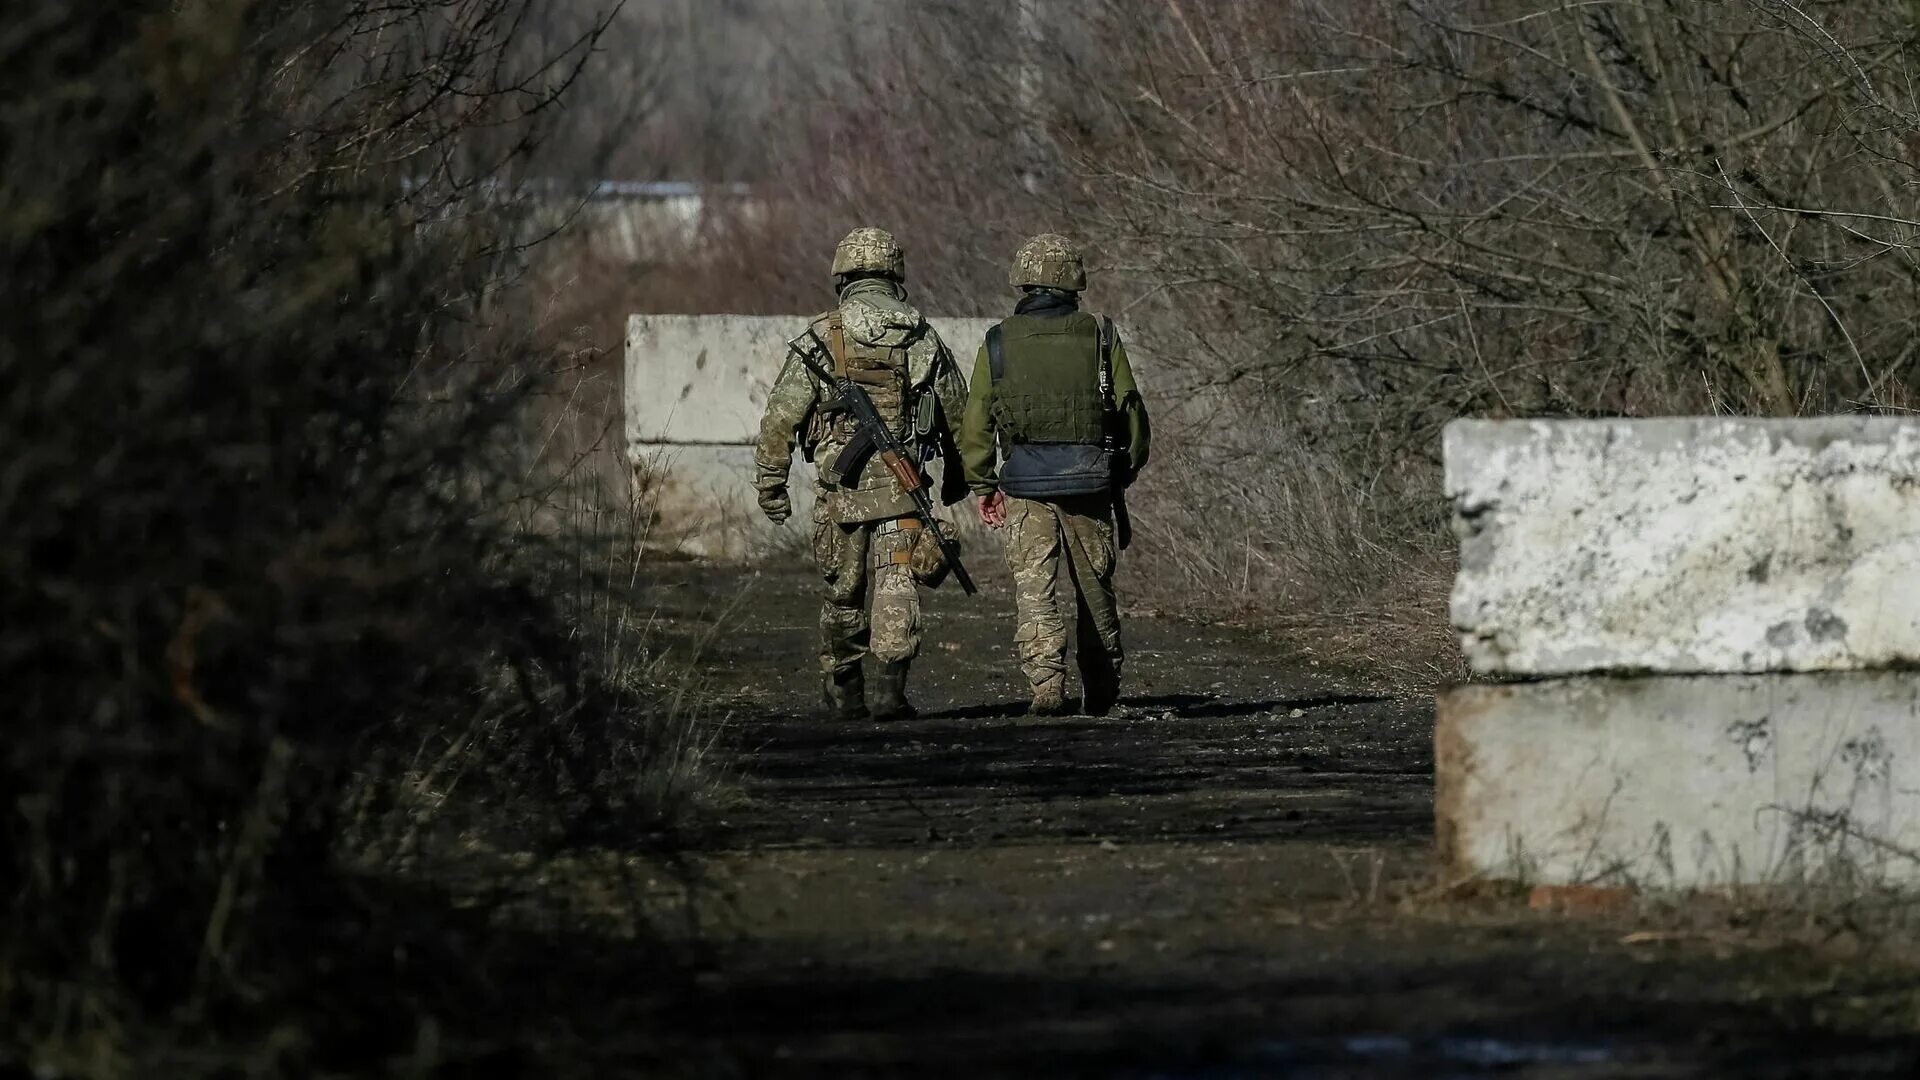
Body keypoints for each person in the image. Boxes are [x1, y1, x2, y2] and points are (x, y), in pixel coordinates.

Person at [753, 227, 970, 721]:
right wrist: (966, 477)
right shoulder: (920, 335)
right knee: (898, 583)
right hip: (903, 487)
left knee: (842, 593)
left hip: (840, 494)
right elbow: (958, 412)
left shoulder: (821, 337)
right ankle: (890, 695)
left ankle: (845, 696)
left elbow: (780, 417)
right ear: (895, 273)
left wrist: (772, 484)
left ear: (843, 274)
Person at [958, 234, 1150, 717]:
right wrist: (1122, 469)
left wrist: (983, 484)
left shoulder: (998, 341)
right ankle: (1102, 691)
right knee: (1094, 587)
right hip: (1090, 480)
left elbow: (976, 419)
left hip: (1023, 484)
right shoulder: (1101, 334)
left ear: (1022, 279)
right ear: (1074, 281)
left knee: (1034, 587)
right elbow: (1131, 412)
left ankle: (1046, 687)